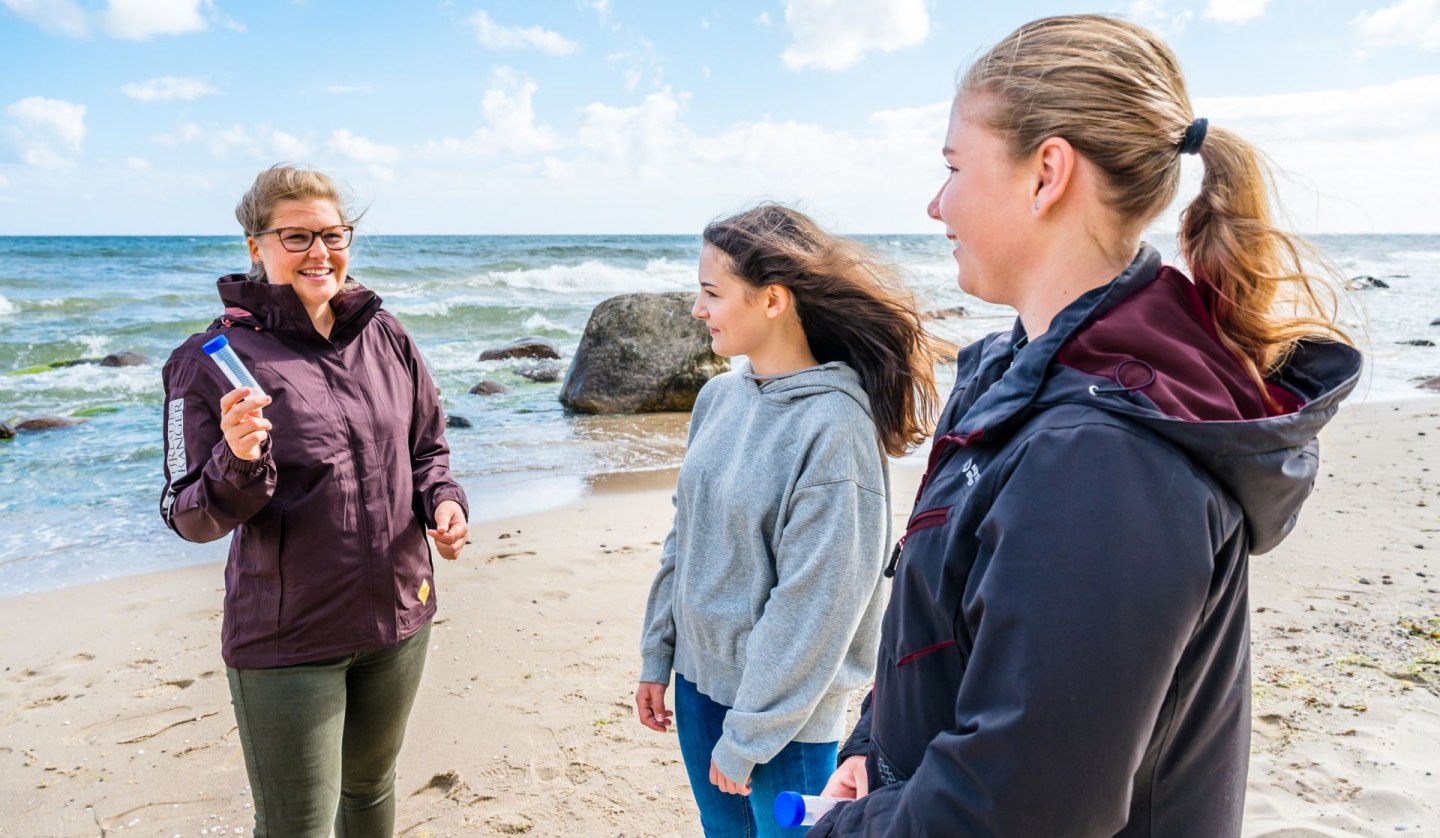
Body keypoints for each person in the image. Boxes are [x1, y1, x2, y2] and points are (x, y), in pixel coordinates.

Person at [812, 15, 1361, 837]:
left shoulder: (1103, 461)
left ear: (1047, 174)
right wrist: (870, 748)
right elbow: (943, 632)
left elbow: (1022, 812)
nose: (936, 203)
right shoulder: (1007, 373)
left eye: (954, 166)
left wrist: (837, 831)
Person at [159, 164, 470, 837]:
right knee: (295, 826)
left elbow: (426, 450)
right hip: (289, 638)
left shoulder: (386, 335)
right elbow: (190, 515)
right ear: (255, 246)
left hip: (399, 618)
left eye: (331, 235)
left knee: (370, 790)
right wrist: (237, 459)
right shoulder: (213, 359)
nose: (319, 253)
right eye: (295, 237)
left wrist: (443, 503)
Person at [635, 204, 940, 837]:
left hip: (788, 723)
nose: (697, 309)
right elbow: (682, 538)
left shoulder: (834, 428)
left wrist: (749, 734)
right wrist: (656, 654)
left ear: (772, 300)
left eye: (712, 293)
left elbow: (819, 605)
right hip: (699, 690)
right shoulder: (717, 397)